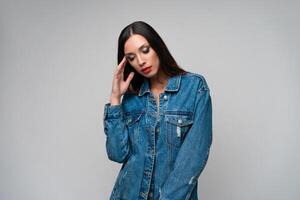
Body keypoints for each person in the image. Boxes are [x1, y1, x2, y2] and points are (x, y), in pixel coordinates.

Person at [103, 21, 212, 200]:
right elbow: (117, 154)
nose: (140, 61)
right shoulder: (132, 97)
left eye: (144, 50)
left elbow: (193, 158)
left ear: (157, 46)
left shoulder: (194, 88)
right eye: (131, 57)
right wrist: (115, 99)